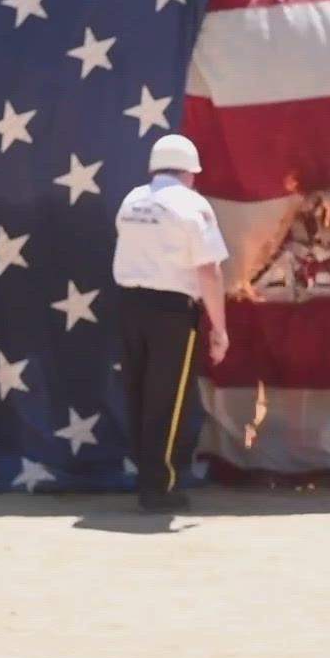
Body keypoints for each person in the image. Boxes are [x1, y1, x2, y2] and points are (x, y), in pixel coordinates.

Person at [111, 133, 230, 511]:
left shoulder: (131, 200)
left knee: (139, 394)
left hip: (129, 305)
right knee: (168, 399)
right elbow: (208, 270)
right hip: (172, 311)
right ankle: (159, 486)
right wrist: (220, 328)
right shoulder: (192, 205)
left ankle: (146, 477)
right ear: (190, 172)